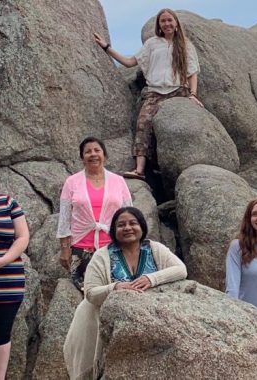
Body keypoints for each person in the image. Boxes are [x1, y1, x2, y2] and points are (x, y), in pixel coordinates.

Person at [63, 206, 187, 379]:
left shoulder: (154, 248)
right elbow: (90, 293)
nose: (127, 228)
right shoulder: (102, 255)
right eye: (121, 225)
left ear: (142, 226)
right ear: (114, 230)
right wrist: (115, 287)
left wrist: (152, 279)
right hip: (98, 321)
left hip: (147, 319)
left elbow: (181, 269)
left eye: (133, 223)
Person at [93, 8, 202, 180]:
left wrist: (193, 94)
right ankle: (140, 170)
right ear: (159, 25)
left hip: (178, 91)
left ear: (176, 23)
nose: (166, 24)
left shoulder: (186, 45)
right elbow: (129, 62)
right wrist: (106, 47)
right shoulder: (152, 43)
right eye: (163, 21)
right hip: (155, 92)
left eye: (169, 20)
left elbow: (192, 72)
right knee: (142, 125)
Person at [57, 137, 132, 291]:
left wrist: (131, 244)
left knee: (116, 292)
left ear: (104, 155)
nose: (93, 154)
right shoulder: (72, 182)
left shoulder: (118, 181)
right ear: (82, 157)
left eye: (97, 150)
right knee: (87, 293)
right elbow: (64, 217)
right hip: (81, 248)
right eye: (88, 152)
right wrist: (65, 248)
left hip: (114, 247)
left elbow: (129, 213)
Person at [0, 162, 30, 380]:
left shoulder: (9, 203)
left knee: (1, 335)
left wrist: (1, 261)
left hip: (7, 283)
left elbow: (22, 237)